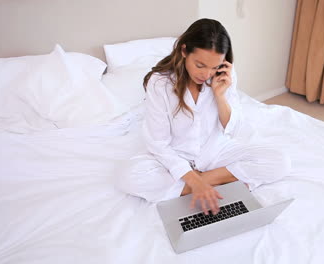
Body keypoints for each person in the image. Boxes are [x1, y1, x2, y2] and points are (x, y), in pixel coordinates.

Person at [116, 18, 290, 215]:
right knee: (128, 176)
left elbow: (235, 129)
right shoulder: (160, 83)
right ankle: (218, 185)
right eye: (200, 65)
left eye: (214, 67)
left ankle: (195, 186)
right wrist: (191, 177)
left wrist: (220, 95)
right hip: (177, 154)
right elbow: (158, 143)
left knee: (280, 161)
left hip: (215, 150)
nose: (206, 74)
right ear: (184, 51)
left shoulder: (224, 76)